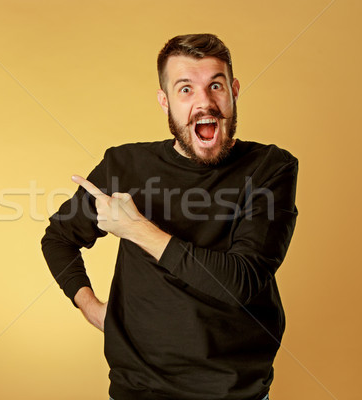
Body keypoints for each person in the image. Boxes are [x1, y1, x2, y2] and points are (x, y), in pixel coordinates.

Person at [41, 33, 298, 400]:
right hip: (139, 390)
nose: (205, 102)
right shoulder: (125, 166)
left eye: (215, 86)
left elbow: (241, 281)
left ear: (234, 90)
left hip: (235, 392)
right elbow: (58, 239)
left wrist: (137, 229)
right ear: (165, 102)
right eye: (185, 89)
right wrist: (91, 307)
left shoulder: (271, 168)